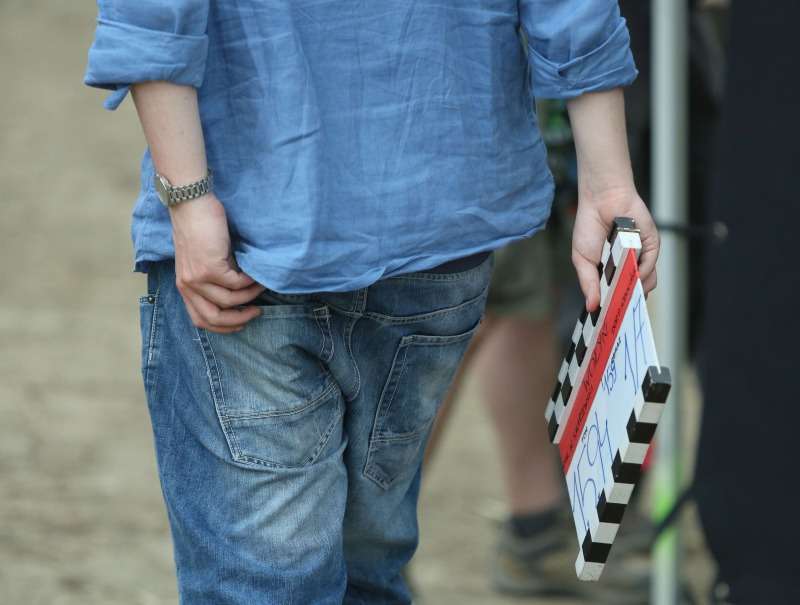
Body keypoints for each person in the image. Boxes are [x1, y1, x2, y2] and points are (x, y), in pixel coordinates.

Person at [84, 1, 659, 602]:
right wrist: (609, 182)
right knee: (368, 569)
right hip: (437, 206)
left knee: (266, 583)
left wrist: (188, 194)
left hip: (255, 217)